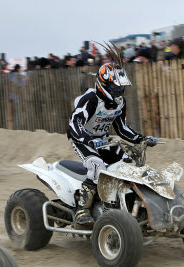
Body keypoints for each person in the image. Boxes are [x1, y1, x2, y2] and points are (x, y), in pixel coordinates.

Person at [67, 42, 157, 225]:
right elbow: (73, 125)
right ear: (103, 85)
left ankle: (123, 203)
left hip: (103, 141)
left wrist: (142, 139)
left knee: (128, 164)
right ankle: (81, 209)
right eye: (115, 87)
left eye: (120, 87)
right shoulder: (90, 99)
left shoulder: (120, 102)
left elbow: (122, 128)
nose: (119, 91)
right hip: (82, 140)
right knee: (96, 165)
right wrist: (88, 140)